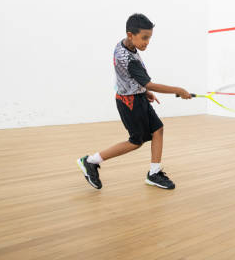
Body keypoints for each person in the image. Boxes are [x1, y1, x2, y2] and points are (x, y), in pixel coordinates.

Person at [77, 13, 192, 190]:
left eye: (149, 38)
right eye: (144, 38)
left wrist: (143, 91)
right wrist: (178, 90)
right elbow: (149, 83)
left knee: (158, 130)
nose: (147, 42)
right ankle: (91, 161)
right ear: (130, 34)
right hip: (129, 103)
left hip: (136, 96)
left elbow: (126, 78)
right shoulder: (129, 60)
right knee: (135, 142)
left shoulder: (123, 44)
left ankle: (154, 173)